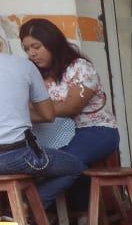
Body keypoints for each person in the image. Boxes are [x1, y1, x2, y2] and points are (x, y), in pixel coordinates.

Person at [19, 19, 121, 215]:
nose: (31, 53)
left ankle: (31, 206)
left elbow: (70, 106)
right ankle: (70, 214)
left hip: (94, 130)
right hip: (53, 134)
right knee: (33, 161)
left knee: (66, 162)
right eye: (27, 49)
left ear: (52, 43)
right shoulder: (32, 73)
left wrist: (33, 112)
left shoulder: (79, 68)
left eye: (36, 47)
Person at [0, 50, 84, 207]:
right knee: (75, 166)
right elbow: (47, 114)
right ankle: (28, 207)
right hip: (15, 155)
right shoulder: (23, 65)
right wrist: (17, 113)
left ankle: (12, 213)